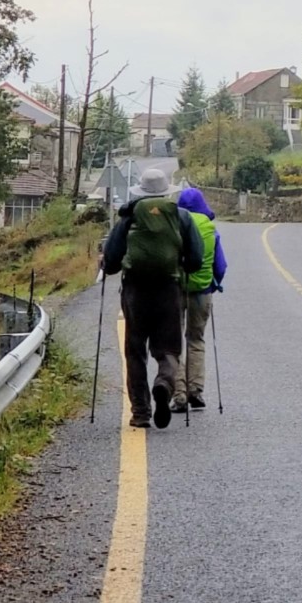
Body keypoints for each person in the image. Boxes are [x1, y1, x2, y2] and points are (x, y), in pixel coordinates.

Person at [99, 168, 202, 430]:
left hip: (135, 291)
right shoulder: (181, 217)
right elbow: (196, 260)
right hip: (169, 290)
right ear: (167, 190)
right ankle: (164, 384)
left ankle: (141, 413)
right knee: (168, 349)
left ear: (140, 191)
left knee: (135, 351)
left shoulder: (129, 217)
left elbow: (110, 261)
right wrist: (183, 267)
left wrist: (110, 265)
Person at [176, 186, 227, 411]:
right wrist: (213, 283)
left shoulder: (175, 224)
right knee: (196, 340)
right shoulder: (210, 228)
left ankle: (179, 396)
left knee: (174, 343)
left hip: (176, 290)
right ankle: (195, 390)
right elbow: (221, 265)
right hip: (202, 293)